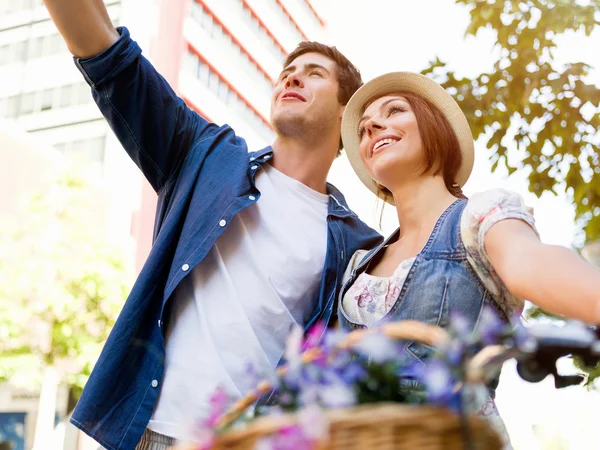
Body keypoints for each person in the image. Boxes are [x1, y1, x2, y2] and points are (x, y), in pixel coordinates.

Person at [41, 2, 382, 449]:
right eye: (288, 71)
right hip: (151, 431)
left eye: (315, 73)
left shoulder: (358, 246)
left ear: (347, 115)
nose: (292, 77)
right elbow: (107, 55)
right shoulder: (206, 156)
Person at [337, 71, 600, 446]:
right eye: (363, 130)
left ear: (434, 129)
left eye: (394, 111)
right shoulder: (357, 264)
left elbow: (529, 262)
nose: (373, 127)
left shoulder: (479, 216)